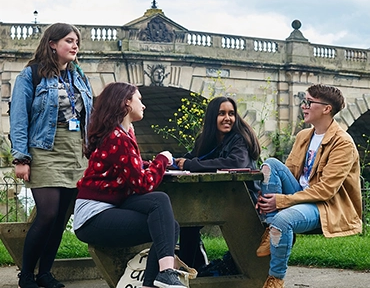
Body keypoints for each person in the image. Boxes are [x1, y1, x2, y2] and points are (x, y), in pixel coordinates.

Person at [73, 82, 186, 288]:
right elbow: (143, 184)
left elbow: (130, 166)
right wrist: (161, 160)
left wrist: (151, 164)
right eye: (139, 99)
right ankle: (164, 274)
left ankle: (157, 279)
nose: (143, 105)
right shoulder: (118, 138)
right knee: (164, 223)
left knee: (167, 220)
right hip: (92, 217)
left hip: (113, 204)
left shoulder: (125, 132)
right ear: (126, 102)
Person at [9, 23, 93, 288]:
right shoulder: (31, 75)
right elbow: (19, 118)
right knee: (47, 213)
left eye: (77, 41)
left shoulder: (79, 76)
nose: (75, 45)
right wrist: (21, 158)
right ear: (52, 44)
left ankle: (45, 273)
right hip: (44, 149)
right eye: (69, 40)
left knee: (60, 219)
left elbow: (88, 116)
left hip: (75, 152)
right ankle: (26, 275)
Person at [255, 84, 362, 288]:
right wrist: (267, 198)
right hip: (300, 195)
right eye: (304, 101)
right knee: (271, 164)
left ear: (326, 108)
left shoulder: (343, 143)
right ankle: (271, 227)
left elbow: (326, 190)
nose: (304, 106)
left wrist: (282, 201)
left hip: (324, 205)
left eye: (309, 102)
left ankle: (275, 280)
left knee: (283, 219)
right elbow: (287, 171)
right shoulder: (304, 136)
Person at [174, 96, 261, 271]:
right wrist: (168, 162)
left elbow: (236, 163)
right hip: (215, 198)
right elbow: (190, 158)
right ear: (213, 116)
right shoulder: (205, 139)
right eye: (222, 113)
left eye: (231, 113)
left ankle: (196, 266)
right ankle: (190, 268)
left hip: (241, 199)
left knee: (190, 218)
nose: (227, 118)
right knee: (186, 220)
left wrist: (192, 165)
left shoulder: (239, 138)